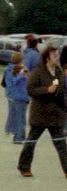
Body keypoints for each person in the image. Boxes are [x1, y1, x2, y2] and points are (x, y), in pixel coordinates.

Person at [18, 44, 67, 178]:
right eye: (54, 56)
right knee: (31, 142)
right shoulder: (38, 71)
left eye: (58, 55)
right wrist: (46, 90)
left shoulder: (58, 71)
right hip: (40, 114)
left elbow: (62, 92)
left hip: (56, 114)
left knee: (61, 144)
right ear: (47, 58)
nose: (57, 58)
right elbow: (31, 89)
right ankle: (24, 167)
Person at [3, 52, 30, 145]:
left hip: (14, 95)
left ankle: (15, 135)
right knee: (21, 118)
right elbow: (13, 81)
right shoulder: (18, 71)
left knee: (16, 116)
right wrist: (22, 75)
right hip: (20, 96)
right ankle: (19, 137)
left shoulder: (7, 69)